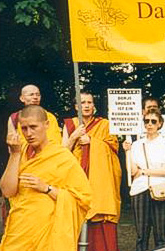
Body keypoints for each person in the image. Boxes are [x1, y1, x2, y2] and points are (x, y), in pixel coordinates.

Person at [0, 105, 92, 251]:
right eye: (24, 128)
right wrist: (14, 154)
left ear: (46, 125)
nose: (29, 133)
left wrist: (47, 188)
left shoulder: (62, 157)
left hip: (49, 233)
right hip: (20, 230)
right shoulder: (20, 152)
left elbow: (82, 199)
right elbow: (7, 191)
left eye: (33, 127)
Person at [62, 92, 121, 251]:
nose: (86, 106)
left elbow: (114, 149)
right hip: (76, 174)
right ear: (76, 107)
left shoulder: (105, 125)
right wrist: (74, 137)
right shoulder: (70, 124)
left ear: (94, 106)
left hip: (98, 179)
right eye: (82, 103)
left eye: (89, 102)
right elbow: (62, 153)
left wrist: (92, 142)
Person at [123, 109, 165, 251]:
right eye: (147, 121)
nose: (150, 124)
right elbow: (132, 171)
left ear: (160, 124)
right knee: (141, 234)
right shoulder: (137, 144)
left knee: (161, 235)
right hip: (140, 189)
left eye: (153, 121)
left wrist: (144, 171)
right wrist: (127, 151)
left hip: (161, 189)